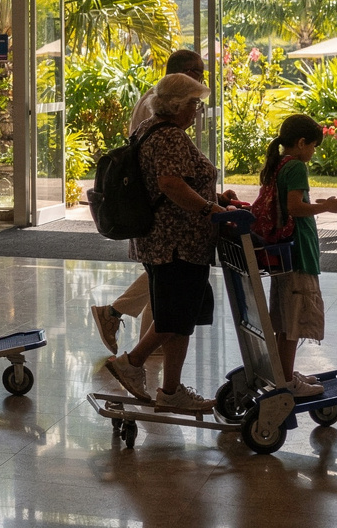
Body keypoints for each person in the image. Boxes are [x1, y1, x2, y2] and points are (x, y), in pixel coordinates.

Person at [102, 73, 227, 412]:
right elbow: (170, 183)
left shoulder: (147, 130)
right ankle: (133, 362)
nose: (197, 111)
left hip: (159, 241)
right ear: (175, 105)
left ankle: (171, 391)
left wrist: (212, 196)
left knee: (180, 318)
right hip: (177, 243)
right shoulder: (170, 136)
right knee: (175, 318)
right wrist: (208, 207)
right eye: (193, 104)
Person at [93, 48, 205, 354]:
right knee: (167, 280)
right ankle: (124, 325)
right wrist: (207, 204)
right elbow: (166, 175)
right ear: (186, 74)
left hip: (154, 213)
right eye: (199, 72)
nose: (202, 80)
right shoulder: (165, 110)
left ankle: (144, 343)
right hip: (162, 217)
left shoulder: (156, 97)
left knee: (161, 284)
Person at [259, 113, 337, 397]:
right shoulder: (296, 165)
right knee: (294, 321)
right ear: (300, 143)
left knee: (286, 322)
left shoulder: (280, 164)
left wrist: (318, 203)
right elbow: (295, 208)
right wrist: (328, 208)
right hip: (299, 253)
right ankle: (287, 382)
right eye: (313, 146)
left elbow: (291, 204)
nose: (313, 152)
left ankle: (285, 373)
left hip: (286, 254)